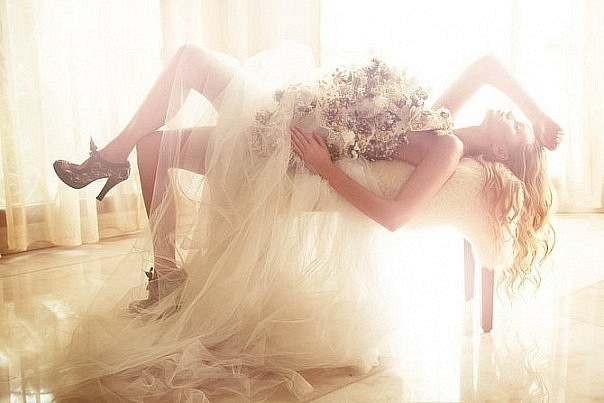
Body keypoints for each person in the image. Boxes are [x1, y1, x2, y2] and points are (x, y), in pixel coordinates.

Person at [50, 44, 562, 400]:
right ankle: (165, 277)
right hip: (285, 117)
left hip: (281, 137)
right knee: (152, 147)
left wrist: (324, 167)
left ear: (500, 152)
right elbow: (487, 65)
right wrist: (538, 117)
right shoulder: (443, 119)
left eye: (519, 129)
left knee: (189, 62)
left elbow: (394, 218)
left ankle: (110, 162)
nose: (514, 118)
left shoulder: (447, 149)